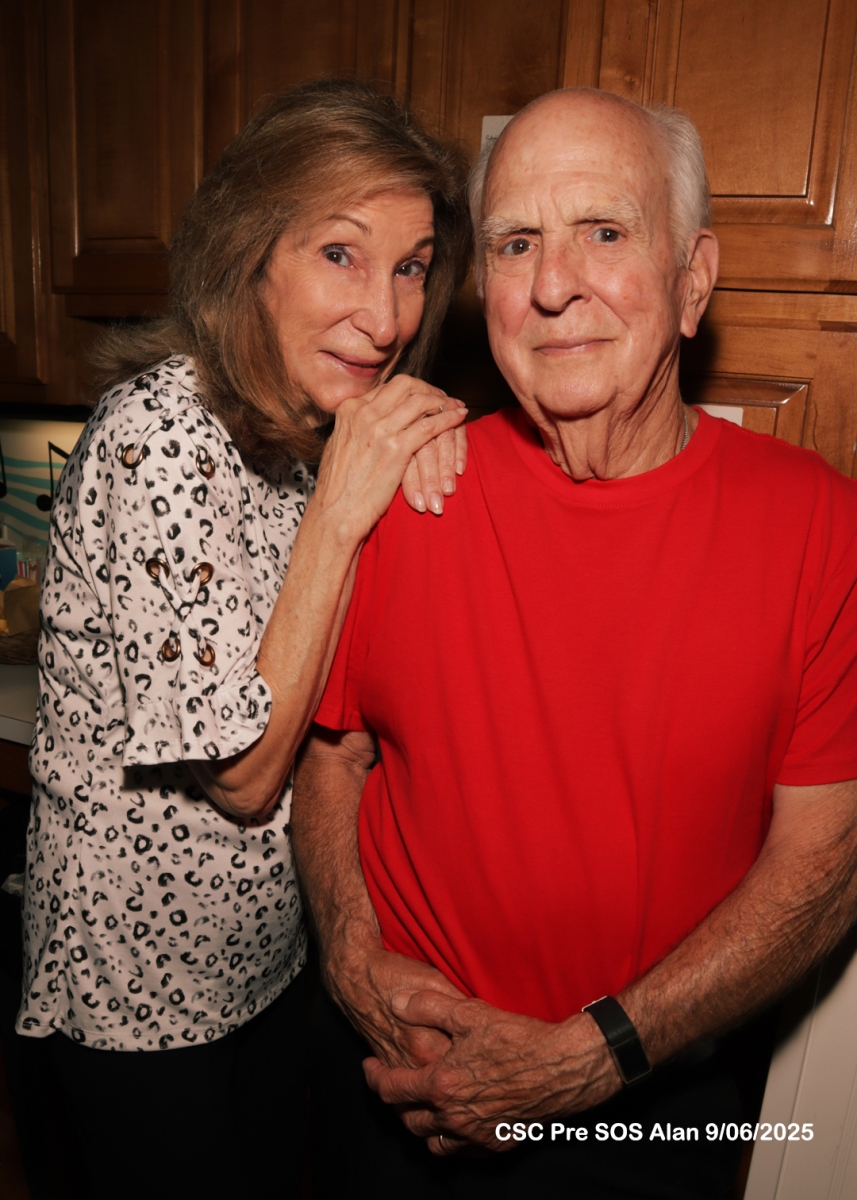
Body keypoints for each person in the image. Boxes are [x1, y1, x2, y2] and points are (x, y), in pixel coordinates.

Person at [291, 88, 857, 1200]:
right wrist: (351, 961)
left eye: (603, 231)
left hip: (650, 1108)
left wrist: (593, 1056)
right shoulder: (401, 489)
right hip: (389, 1081)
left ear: (692, 279)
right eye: (515, 243)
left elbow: (825, 866)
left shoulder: (820, 529)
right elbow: (330, 757)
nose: (552, 286)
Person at [17, 79, 470, 1199]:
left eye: (411, 266)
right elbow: (244, 772)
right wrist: (345, 508)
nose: (385, 318)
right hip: (138, 1011)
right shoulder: (160, 434)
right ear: (250, 254)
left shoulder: (308, 429)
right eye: (340, 253)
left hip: (267, 972)